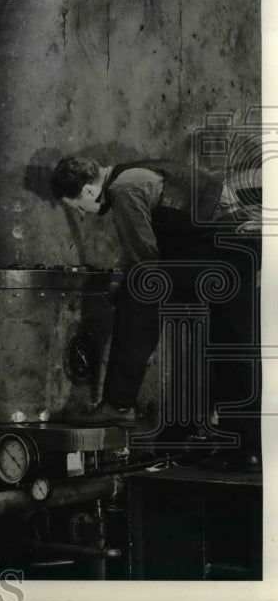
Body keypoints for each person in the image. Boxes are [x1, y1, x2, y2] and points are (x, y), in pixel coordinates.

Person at [51, 157, 257, 435]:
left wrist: (121, 293)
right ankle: (243, 444)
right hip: (237, 245)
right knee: (231, 340)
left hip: (223, 244)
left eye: (77, 206)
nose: (83, 214)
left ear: (88, 190)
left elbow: (145, 262)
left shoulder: (124, 189)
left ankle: (118, 405)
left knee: (138, 290)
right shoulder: (136, 172)